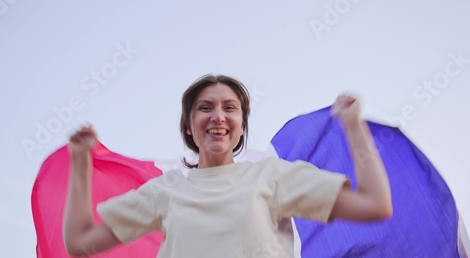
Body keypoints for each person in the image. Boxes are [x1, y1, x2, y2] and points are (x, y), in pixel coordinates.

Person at [63, 74, 393, 257]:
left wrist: (353, 127)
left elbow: (375, 204)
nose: (218, 116)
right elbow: (80, 243)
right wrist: (80, 163)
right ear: (189, 127)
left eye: (230, 108)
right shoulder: (165, 191)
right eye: (205, 108)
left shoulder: (271, 176)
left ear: (240, 125)